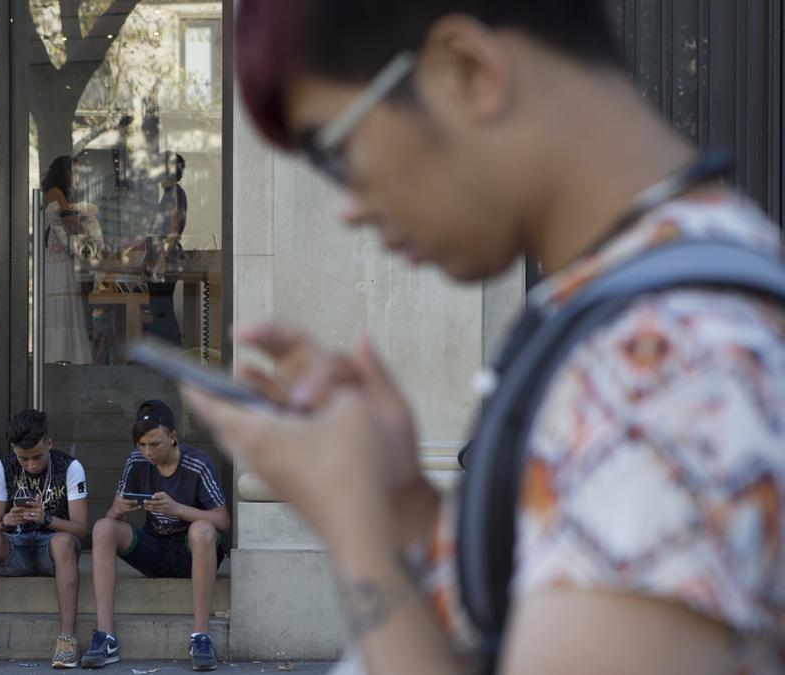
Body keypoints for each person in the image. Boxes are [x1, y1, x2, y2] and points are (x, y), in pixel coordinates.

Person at [183, 1, 785, 673]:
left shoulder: (669, 357)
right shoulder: (654, 302)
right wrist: (404, 499)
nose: (348, 206)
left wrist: (353, 527)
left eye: (336, 151)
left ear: (467, 70)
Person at [82, 400, 230, 671]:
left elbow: (223, 520)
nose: (148, 452)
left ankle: (200, 636)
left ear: (173, 437)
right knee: (103, 527)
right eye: (142, 445)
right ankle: (106, 636)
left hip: (191, 554)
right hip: (155, 550)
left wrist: (177, 509)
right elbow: (113, 513)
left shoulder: (198, 462)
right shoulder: (137, 460)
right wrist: (119, 508)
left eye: (155, 444)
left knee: (202, 529)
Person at [0, 409, 89, 670]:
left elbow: (80, 530)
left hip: (52, 550)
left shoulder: (70, 466)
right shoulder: (3, 466)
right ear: (13, 449)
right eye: (24, 458)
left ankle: (67, 639)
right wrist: (5, 521)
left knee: (63, 542)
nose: (31, 465)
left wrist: (47, 519)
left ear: (50, 443)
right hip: (17, 548)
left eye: (37, 457)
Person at [42, 155, 93, 365]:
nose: (77, 177)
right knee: (64, 308)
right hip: (59, 261)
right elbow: (71, 222)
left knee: (62, 309)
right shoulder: (56, 193)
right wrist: (88, 232)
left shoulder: (51, 193)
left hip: (57, 259)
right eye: (74, 172)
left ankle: (59, 355)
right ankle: (62, 356)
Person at [145, 152, 188, 346]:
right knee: (161, 308)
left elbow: (172, 230)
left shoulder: (175, 195)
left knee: (162, 309)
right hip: (159, 258)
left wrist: (161, 260)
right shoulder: (169, 194)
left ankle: (173, 352)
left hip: (165, 259)